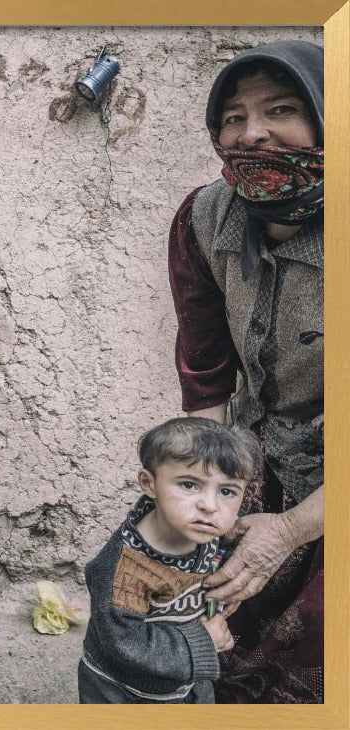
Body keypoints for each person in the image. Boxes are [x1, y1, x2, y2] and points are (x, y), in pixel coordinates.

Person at [168, 40, 324, 703]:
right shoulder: (203, 220)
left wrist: (289, 531)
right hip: (258, 451)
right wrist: (206, 495)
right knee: (199, 616)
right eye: (233, 116)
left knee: (314, 658)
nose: (252, 131)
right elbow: (206, 374)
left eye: (282, 109)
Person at [79, 417, 261, 704]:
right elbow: (122, 641)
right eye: (189, 485)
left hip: (184, 684)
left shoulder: (203, 530)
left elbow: (211, 567)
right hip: (124, 693)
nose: (210, 505)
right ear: (148, 483)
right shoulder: (126, 569)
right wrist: (203, 642)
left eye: (227, 491)